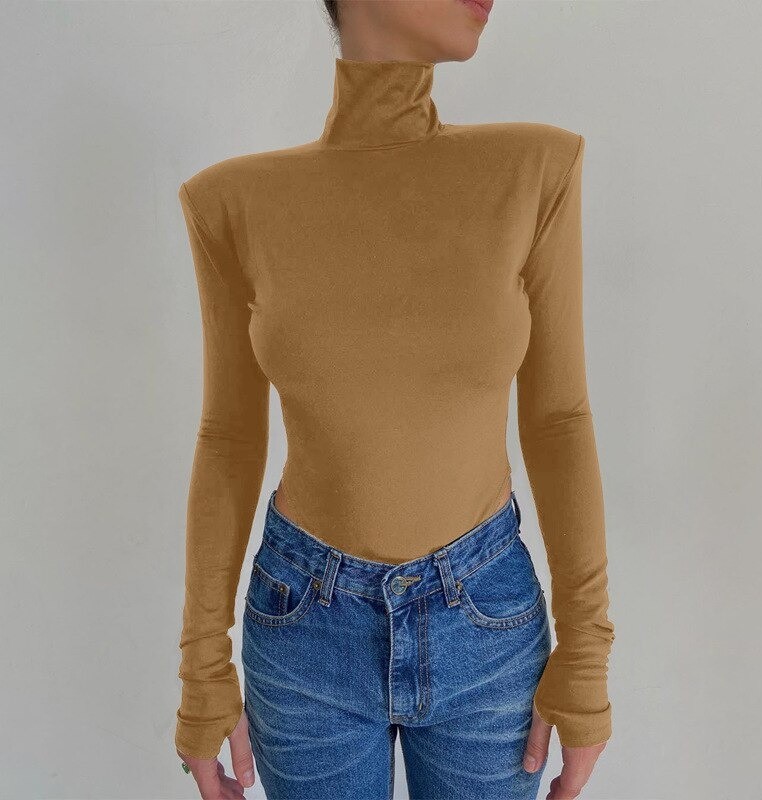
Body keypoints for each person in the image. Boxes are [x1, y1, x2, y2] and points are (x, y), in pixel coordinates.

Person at [173, 1, 615, 798]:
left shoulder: (535, 171)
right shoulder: (233, 203)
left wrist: (586, 655)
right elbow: (228, 437)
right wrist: (202, 669)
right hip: (304, 629)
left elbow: (559, 419)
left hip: (487, 621)